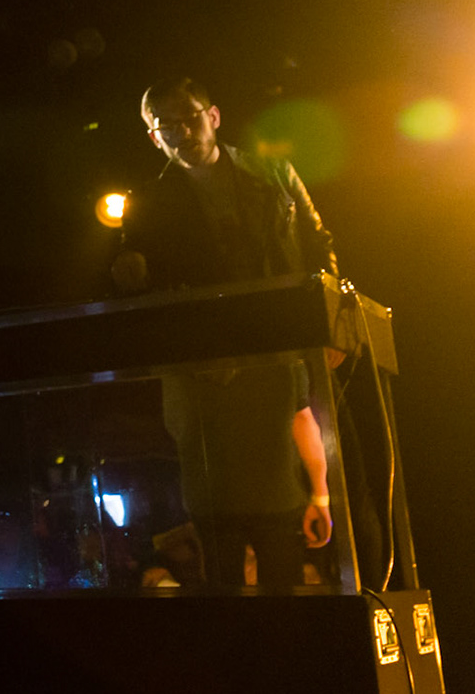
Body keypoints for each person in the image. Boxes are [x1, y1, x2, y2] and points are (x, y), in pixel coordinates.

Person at [112, 77, 334, 588]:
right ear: (152, 137)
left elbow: (317, 243)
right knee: (220, 524)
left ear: (213, 116)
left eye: (188, 118)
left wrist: (327, 323)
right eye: (164, 125)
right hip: (206, 376)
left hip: (274, 359)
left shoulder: (272, 171)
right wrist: (130, 273)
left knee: (278, 516)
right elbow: (134, 289)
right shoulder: (149, 201)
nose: (180, 132)